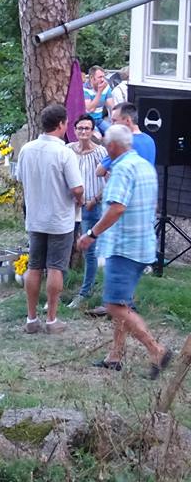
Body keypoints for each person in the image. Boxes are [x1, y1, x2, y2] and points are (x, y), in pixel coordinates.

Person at [77, 124, 173, 379]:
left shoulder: (120, 169)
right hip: (143, 245)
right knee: (123, 301)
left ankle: (157, 350)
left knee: (114, 304)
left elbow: (117, 208)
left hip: (124, 248)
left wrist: (91, 234)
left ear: (111, 147)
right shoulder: (144, 166)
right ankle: (115, 356)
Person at [14, 104, 84, 334]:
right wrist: (80, 199)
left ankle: (31, 318)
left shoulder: (27, 149)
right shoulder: (64, 152)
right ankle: (52, 319)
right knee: (56, 267)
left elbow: (20, 177)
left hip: (35, 216)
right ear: (62, 124)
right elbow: (76, 187)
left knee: (34, 266)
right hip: (59, 218)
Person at [66, 115, 107, 309]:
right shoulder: (68, 150)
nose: (83, 132)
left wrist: (95, 199)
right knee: (65, 245)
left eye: (87, 128)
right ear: (75, 130)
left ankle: (86, 291)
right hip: (69, 204)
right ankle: (60, 288)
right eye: (80, 128)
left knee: (89, 250)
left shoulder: (100, 152)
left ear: (92, 131)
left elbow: (109, 179)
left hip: (91, 204)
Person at [84, 65, 112, 135]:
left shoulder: (106, 87)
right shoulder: (85, 89)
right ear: (91, 78)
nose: (102, 79)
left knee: (113, 133)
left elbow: (111, 106)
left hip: (99, 119)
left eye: (103, 77)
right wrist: (99, 92)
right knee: (97, 137)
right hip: (87, 120)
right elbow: (90, 109)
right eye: (100, 77)